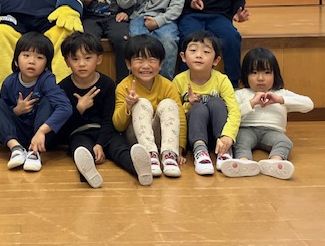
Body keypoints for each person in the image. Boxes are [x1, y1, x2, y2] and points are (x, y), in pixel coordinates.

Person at [58, 32, 153, 188]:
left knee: (120, 148)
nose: (81, 64)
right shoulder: (63, 88)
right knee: (81, 149)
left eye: (87, 58)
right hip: (79, 133)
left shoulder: (107, 84)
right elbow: (63, 127)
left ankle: (140, 170)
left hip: (105, 131)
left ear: (99, 59)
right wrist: (79, 109)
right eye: (75, 59)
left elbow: (109, 119)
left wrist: (100, 144)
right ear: (67, 62)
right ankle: (88, 174)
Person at [221, 48, 313, 180]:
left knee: (285, 142)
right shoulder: (241, 94)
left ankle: (275, 162)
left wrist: (280, 100)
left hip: (273, 131)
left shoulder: (281, 93)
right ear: (246, 75)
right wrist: (251, 103)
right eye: (254, 72)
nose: (260, 78)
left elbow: (309, 104)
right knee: (240, 141)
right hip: (246, 129)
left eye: (267, 72)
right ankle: (244, 162)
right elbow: (231, 115)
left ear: (275, 74)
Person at [0, 32, 72, 172]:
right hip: (18, 133)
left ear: (46, 65)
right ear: (16, 60)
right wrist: (16, 111)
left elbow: (65, 107)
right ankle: (16, 149)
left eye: (39, 57)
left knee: (48, 101)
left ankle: (34, 153)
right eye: (26, 55)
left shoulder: (47, 79)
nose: (32, 61)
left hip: (42, 136)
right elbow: (3, 113)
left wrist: (42, 131)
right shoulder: (9, 82)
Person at [112, 35, 187, 179]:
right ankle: (149, 156)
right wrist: (128, 105)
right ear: (128, 64)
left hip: (162, 139)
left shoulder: (168, 85)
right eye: (139, 60)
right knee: (141, 103)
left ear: (160, 64)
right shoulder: (123, 86)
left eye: (152, 60)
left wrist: (179, 148)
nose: (146, 65)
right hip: (136, 140)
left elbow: (181, 118)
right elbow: (118, 125)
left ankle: (169, 156)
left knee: (169, 104)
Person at [173, 31, 241, 176]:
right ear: (183, 57)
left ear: (216, 60)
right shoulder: (178, 81)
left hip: (218, 134)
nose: (199, 55)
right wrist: (189, 105)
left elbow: (234, 110)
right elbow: (174, 115)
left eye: (206, 52)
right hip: (194, 135)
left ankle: (224, 150)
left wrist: (228, 136)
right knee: (198, 108)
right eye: (193, 50)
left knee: (216, 102)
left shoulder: (222, 80)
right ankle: (200, 152)